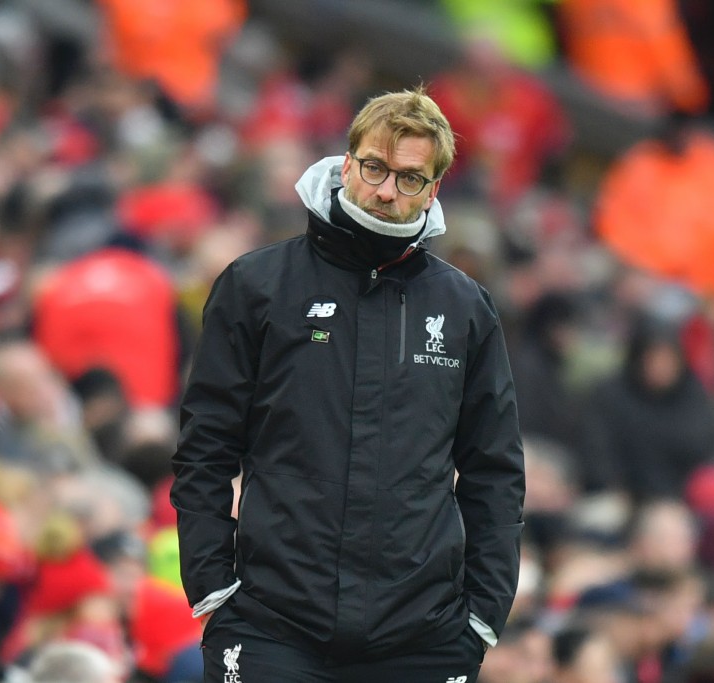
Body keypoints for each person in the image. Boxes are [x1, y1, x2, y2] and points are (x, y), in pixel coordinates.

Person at [171, 87, 526, 682]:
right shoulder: (257, 286)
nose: (386, 191)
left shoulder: (465, 308)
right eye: (374, 168)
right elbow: (204, 450)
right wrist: (212, 588)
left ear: (434, 190)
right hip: (269, 625)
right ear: (347, 164)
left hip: (423, 637)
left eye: (409, 178)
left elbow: (494, 470)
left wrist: (483, 617)